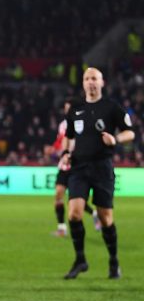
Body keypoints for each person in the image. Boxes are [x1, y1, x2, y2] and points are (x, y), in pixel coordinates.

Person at [59, 67, 135, 280]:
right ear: (83, 83)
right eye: (87, 78)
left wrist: (116, 139)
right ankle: (80, 260)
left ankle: (113, 260)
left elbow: (130, 132)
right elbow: (69, 135)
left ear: (102, 83)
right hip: (79, 168)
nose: (91, 82)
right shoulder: (75, 109)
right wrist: (66, 152)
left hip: (102, 167)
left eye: (94, 78)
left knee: (106, 219)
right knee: (74, 213)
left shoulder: (112, 107)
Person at [50, 97, 97, 238]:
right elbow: (61, 142)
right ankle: (62, 228)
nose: (66, 111)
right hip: (65, 164)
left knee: (74, 201)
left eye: (68, 109)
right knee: (58, 194)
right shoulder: (63, 124)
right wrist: (56, 150)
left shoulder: (85, 123)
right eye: (65, 109)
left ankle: (94, 214)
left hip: (79, 165)